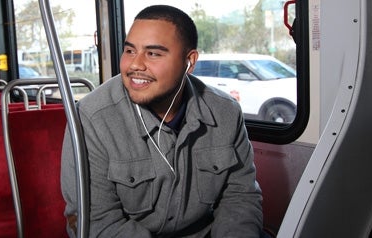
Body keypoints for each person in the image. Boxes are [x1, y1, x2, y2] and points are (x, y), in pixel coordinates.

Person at [61, 5, 263, 237]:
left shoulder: (226, 112)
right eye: (129, 51)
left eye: (153, 53)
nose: (135, 64)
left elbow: (240, 198)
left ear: (190, 61)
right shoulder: (91, 118)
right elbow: (97, 221)